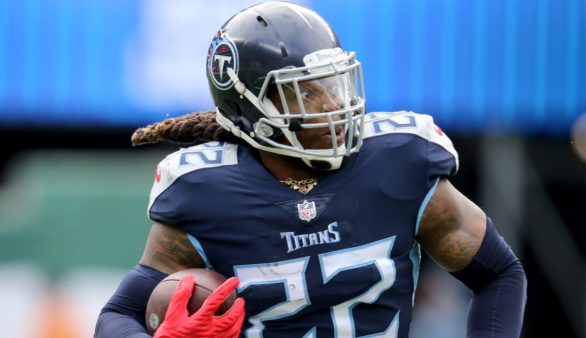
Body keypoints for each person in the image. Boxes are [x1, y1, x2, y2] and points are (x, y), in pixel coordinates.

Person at [94, 2, 527, 338]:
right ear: (250, 110)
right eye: (305, 92)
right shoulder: (204, 193)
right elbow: (117, 316)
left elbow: (501, 273)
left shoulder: (399, 161)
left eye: (333, 82)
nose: (333, 104)